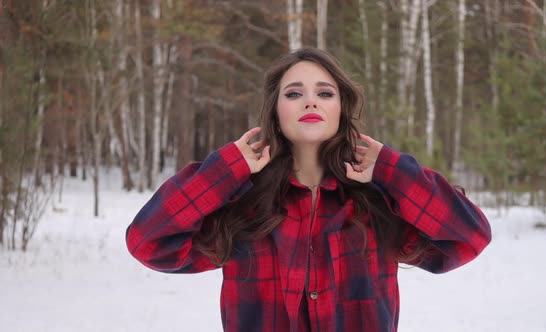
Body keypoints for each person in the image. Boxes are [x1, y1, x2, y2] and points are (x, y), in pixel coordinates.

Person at [126, 47, 491, 332]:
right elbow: (148, 243)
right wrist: (224, 170)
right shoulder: (245, 204)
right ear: (276, 112)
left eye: (325, 92)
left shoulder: (376, 204)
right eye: (294, 93)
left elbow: (469, 237)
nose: (310, 101)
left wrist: (393, 171)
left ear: (340, 109)